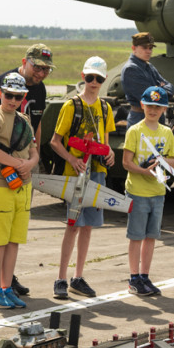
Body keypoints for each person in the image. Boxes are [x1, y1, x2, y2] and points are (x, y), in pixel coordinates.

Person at [0, 44, 53, 298]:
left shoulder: (39, 90)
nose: (41, 73)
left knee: (14, 233)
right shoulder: (0, 84)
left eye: (46, 69)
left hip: (22, 167)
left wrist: (31, 162)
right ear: (25, 61)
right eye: (37, 67)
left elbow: (35, 127)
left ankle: (7, 282)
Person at [49, 56, 116, 299]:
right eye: (90, 77)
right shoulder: (71, 106)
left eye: (98, 78)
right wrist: (71, 159)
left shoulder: (106, 108)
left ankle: (78, 277)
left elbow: (106, 145)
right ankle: (60, 279)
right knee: (73, 226)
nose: (94, 82)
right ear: (83, 77)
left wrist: (111, 156)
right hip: (75, 175)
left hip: (97, 173)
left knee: (88, 227)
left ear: (104, 79)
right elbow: (55, 141)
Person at [0, 72, 38, 309]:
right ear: (0, 94)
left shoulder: (25, 119)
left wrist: (30, 165)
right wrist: (19, 164)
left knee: (14, 241)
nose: (13, 100)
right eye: (9, 95)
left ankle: (6, 287)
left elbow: (34, 150)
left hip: (22, 187)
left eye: (18, 96)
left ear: (24, 97)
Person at [121, 86, 174, 296]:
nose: (153, 110)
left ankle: (145, 276)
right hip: (137, 191)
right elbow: (126, 163)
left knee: (151, 236)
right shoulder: (135, 131)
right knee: (136, 236)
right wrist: (144, 171)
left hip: (158, 192)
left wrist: (162, 161)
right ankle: (133, 278)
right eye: (149, 106)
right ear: (143, 106)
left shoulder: (166, 133)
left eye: (158, 106)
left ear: (164, 109)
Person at [120, 32, 174, 127]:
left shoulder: (148, 66)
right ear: (134, 48)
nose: (149, 51)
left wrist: (158, 89)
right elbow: (151, 98)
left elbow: (170, 87)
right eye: (144, 48)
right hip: (140, 120)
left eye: (150, 48)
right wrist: (161, 88)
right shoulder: (131, 69)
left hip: (156, 119)